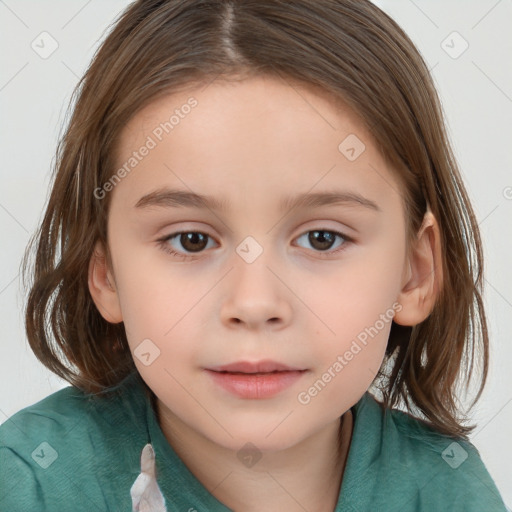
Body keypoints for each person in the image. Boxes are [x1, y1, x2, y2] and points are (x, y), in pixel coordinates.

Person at [0, 0, 508, 510]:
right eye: (190, 240)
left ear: (414, 273)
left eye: (322, 238)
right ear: (106, 272)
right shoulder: (30, 482)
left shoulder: (448, 491)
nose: (255, 302)